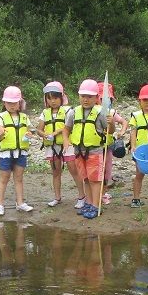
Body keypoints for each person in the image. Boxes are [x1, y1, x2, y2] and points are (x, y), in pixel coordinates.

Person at [64, 79, 109, 219]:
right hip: (79, 151)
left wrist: (111, 123)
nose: (86, 99)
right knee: (86, 179)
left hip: (94, 151)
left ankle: (96, 206)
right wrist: (66, 141)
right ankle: (89, 203)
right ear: (79, 96)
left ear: (96, 98)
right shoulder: (73, 112)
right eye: (83, 96)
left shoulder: (101, 113)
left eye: (90, 96)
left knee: (95, 180)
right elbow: (66, 129)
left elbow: (109, 131)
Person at [0, 86, 34, 216]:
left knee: (19, 178)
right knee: (4, 178)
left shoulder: (24, 117)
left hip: (21, 152)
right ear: (4, 103)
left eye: (14, 102)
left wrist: (29, 135)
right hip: (6, 153)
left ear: (19, 103)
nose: (11, 105)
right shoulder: (1, 117)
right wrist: (0, 133)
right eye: (8, 102)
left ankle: (20, 203)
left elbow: (29, 131)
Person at [36, 81, 70, 207]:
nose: (53, 101)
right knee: (56, 172)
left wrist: (56, 132)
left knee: (74, 170)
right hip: (52, 146)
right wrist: (43, 134)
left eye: (55, 98)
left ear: (61, 98)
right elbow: (39, 129)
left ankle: (82, 196)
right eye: (49, 99)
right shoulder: (45, 113)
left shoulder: (67, 111)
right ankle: (57, 197)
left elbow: (69, 126)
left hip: (67, 145)